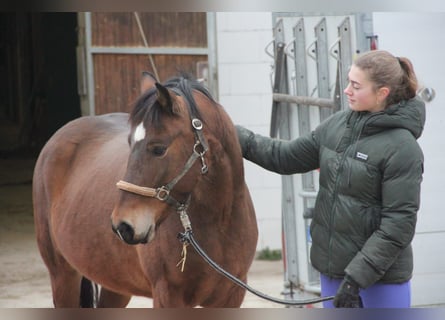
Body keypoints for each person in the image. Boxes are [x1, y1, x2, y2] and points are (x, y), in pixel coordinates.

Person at [236, 50, 425, 308]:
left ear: (383, 93)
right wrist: (229, 132)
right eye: (348, 81)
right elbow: (285, 156)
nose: (347, 90)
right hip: (334, 275)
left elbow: (398, 226)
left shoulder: (403, 148)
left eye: (356, 86)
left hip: (378, 282)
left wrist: (356, 278)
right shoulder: (337, 125)